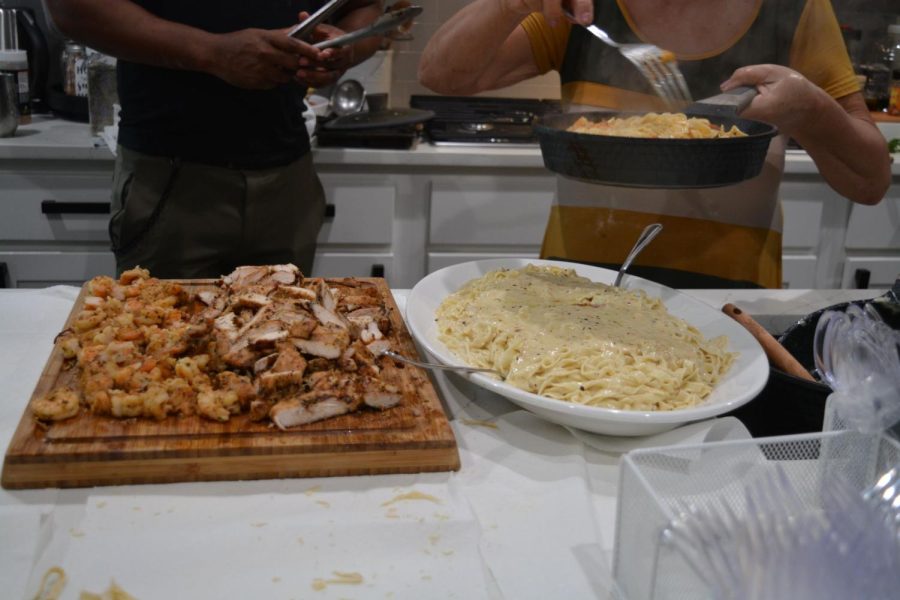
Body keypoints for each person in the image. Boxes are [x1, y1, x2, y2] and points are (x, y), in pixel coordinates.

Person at [418, 0, 892, 288]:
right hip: (577, 284)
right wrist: (508, 5)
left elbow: (869, 180)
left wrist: (810, 111)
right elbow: (443, 74)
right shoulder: (583, 8)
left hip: (729, 294)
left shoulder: (793, 9)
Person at [47, 0, 385, 279]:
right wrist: (212, 52)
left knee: (285, 339)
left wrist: (345, 47)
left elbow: (366, 6)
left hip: (287, 181)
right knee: (160, 343)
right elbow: (70, 8)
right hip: (169, 181)